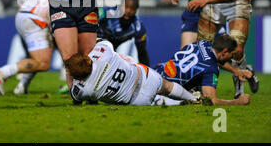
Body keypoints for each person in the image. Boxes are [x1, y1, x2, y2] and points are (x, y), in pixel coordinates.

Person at [65, 40, 199, 106]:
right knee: (167, 86)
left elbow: (75, 97)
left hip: (137, 100)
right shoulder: (102, 54)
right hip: (145, 77)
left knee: (155, 101)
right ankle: (194, 99)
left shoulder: (83, 90)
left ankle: (179, 104)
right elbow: (104, 42)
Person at [153, 34, 251, 106]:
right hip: (160, 89)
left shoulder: (203, 43)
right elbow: (211, 100)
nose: (232, 58)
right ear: (225, 52)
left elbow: (210, 59)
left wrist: (236, 71)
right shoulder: (211, 69)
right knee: (198, 93)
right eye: (232, 54)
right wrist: (237, 102)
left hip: (154, 71)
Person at [97, 0, 150, 66]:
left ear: (136, 10)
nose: (128, 11)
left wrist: (146, 73)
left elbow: (142, 53)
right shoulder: (106, 12)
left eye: (132, 8)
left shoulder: (138, 28)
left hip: (109, 53)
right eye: (125, 7)